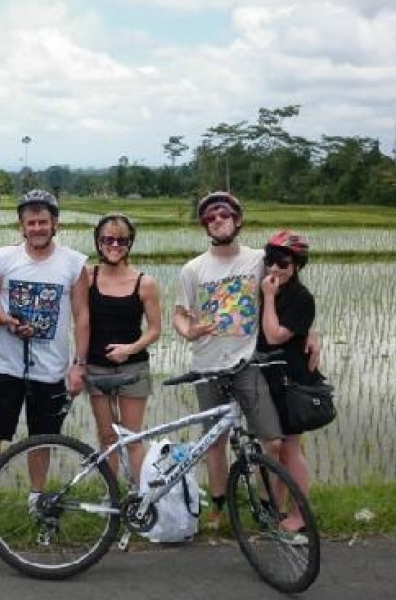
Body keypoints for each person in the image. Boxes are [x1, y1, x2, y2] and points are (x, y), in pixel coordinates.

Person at [0, 188, 89, 527]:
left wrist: (79, 365)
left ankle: (36, 498)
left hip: (51, 369)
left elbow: (82, 316)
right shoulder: (4, 258)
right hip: (8, 366)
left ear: (55, 224)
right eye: (30, 222)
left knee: (42, 436)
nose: (37, 228)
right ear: (21, 226)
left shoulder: (75, 263)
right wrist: (7, 320)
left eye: (43, 222)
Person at [172, 191, 285, 530]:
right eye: (209, 217)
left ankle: (266, 508)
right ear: (205, 226)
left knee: (273, 442)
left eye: (223, 214)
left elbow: (290, 287)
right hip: (207, 367)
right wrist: (189, 331)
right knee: (214, 444)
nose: (217, 220)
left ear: (237, 219)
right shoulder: (193, 269)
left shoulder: (259, 259)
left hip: (245, 364)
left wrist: (309, 333)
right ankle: (219, 508)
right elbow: (178, 315)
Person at [85, 213, 161, 481]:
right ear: (98, 242)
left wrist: (129, 348)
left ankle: (140, 500)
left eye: (121, 240)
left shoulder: (145, 283)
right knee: (107, 436)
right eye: (107, 239)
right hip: (96, 367)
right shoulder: (87, 277)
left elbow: (154, 330)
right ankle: (112, 499)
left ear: (130, 243)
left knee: (132, 437)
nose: (114, 245)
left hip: (133, 367)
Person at [258, 230, 323, 533]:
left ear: (296, 265)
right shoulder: (271, 288)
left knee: (291, 449)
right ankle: (279, 511)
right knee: (279, 447)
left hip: (291, 380)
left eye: (282, 263)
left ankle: (299, 516)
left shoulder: (299, 297)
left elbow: (273, 336)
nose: (274, 269)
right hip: (268, 376)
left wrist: (268, 298)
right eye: (270, 261)